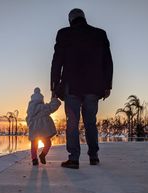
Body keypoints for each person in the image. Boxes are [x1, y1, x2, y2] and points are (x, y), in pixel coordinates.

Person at [51, 8, 113, 169]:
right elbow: (108, 62)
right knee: (90, 122)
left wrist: (54, 85)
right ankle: (94, 156)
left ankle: (73, 159)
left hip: (72, 86)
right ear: (83, 18)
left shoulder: (64, 34)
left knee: (72, 122)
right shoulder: (100, 34)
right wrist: (108, 85)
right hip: (93, 86)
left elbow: (57, 61)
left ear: (71, 20)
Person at [26, 87, 61, 166]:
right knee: (48, 143)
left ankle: (34, 159)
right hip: (44, 130)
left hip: (34, 129)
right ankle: (43, 155)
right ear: (41, 99)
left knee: (34, 145)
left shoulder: (30, 110)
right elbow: (53, 106)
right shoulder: (43, 107)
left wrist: (30, 124)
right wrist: (54, 98)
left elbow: (28, 119)